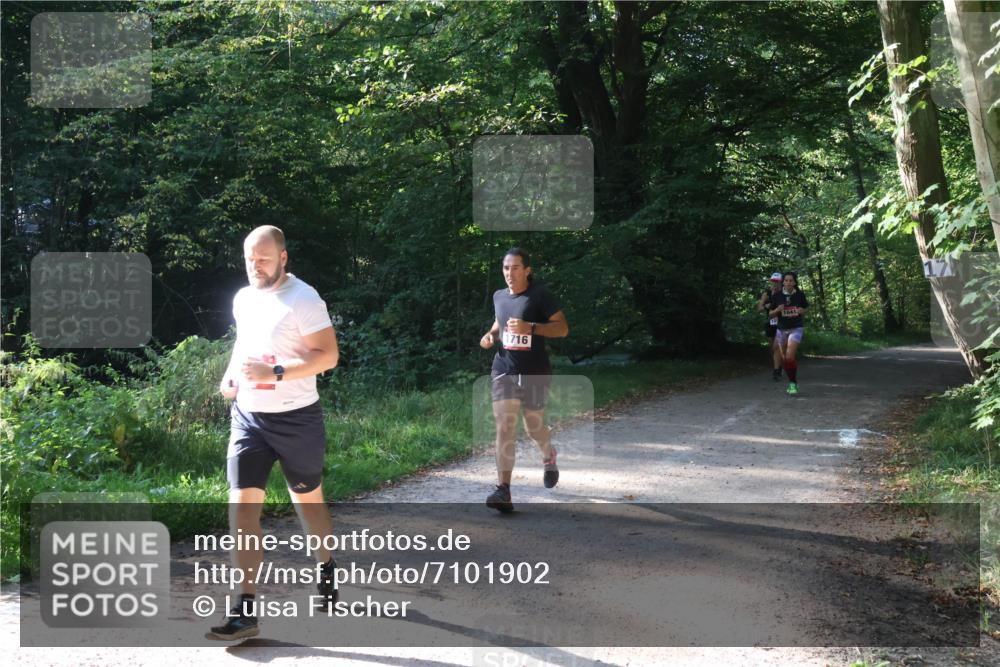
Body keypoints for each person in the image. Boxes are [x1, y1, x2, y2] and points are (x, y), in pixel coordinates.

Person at [207, 225, 340, 640]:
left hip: (297, 419)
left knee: (308, 501)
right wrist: (230, 378)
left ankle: (326, 562)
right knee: (242, 507)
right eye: (249, 258)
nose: (255, 266)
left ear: (284, 258)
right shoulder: (244, 298)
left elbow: (329, 356)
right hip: (249, 418)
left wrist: (277, 372)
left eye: (263, 258)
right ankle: (246, 607)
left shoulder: (304, 299)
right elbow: (242, 345)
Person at [479, 248, 569, 513]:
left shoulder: (539, 295)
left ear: (527, 270)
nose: (509, 273)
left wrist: (531, 327)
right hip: (504, 367)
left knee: (532, 428)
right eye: (506, 268)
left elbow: (562, 328)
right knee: (505, 427)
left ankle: (548, 455)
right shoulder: (498, 296)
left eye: (515, 268)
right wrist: (490, 336)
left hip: (534, 370)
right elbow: (500, 323)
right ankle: (503, 490)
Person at [769, 271, 808, 395]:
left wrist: (802, 311)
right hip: (781, 329)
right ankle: (792, 381)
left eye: (791, 280)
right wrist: (776, 310)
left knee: (790, 356)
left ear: (795, 282)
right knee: (785, 359)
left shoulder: (800, 295)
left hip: (796, 328)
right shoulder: (777, 295)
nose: (788, 282)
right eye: (786, 280)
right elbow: (770, 314)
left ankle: (792, 383)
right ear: (783, 282)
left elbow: (805, 309)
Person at [757, 272, 785, 380]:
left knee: (777, 347)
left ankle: (776, 371)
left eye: (777, 281)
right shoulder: (767, 294)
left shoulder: (785, 293)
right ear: (771, 281)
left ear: (781, 282)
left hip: (783, 323)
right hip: (770, 323)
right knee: (773, 348)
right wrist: (765, 306)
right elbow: (759, 309)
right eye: (773, 281)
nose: (775, 283)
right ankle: (779, 366)